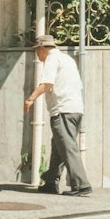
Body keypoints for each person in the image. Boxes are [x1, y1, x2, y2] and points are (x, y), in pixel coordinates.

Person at [23, 33, 92, 196]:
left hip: (63, 110)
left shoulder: (52, 59)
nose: (37, 55)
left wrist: (30, 99)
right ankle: (50, 181)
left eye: (37, 51)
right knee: (58, 147)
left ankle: (81, 185)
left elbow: (47, 83)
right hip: (76, 109)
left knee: (67, 148)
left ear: (42, 48)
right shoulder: (67, 59)